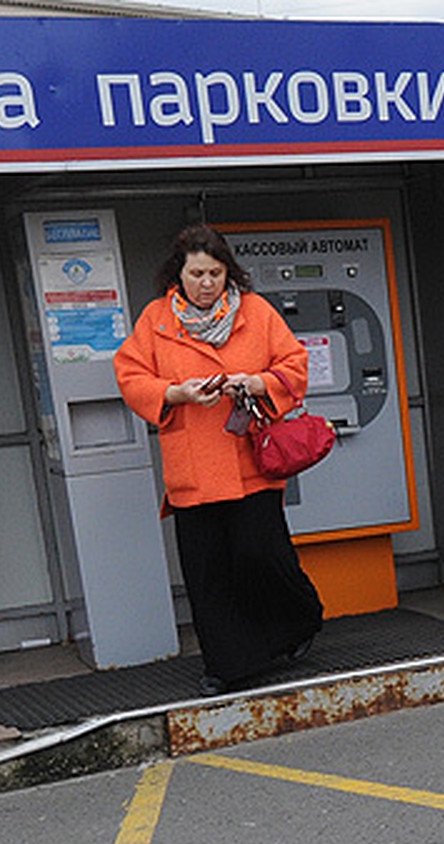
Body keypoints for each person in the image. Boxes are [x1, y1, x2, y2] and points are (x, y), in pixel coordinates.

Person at [113, 223, 323, 697]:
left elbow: (294, 364)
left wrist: (252, 383)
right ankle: (227, 666)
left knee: (262, 555)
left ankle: (299, 621)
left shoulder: (256, 312)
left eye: (215, 273)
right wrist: (175, 392)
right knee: (207, 573)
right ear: (179, 274)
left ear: (228, 272)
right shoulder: (156, 319)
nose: (206, 283)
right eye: (197, 273)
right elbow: (129, 374)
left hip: (249, 462)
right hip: (192, 469)